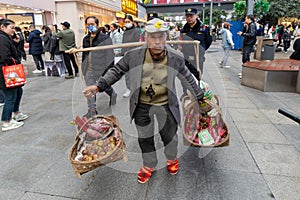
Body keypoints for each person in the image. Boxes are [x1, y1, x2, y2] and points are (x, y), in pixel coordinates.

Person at [82, 18, 204, 184]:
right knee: (145, 138)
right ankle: (149, 164)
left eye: (161, 37)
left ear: (166, 38)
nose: (157, 41)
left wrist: (200, 95)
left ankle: (171, 159)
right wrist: (98, 87)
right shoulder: (134, 55)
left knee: (170, 136)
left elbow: (188, 77)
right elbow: (117, 70)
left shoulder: (176, 57)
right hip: (142, 105)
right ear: (146, 38)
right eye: (153, 37)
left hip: (166, 104)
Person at [81, 16, 117, 118]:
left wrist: (108, 71)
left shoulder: (105, 38)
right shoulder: (86, 39)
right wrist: (83, 69)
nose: (90, 26)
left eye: (92, 24)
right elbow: (84, 54)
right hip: (89, 69)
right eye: (88, 25)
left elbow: (110, 56)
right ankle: (92, 110)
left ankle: (112, 94)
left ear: (97, 25)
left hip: (101, 69)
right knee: (90, 90)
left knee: (104, 86)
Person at [0, 19, 29, 131]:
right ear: (2, 27)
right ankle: (6, 121)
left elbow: (13, 52)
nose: (13, 30)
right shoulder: (2, 38)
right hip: (6, 71)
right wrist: (16, 63)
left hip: (9, 70)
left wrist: (16, 43)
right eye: (11, 28)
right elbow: (6, 56)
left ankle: (16, 113)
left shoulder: (6, 38)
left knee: (18, 91)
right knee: (10, 96)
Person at [180, 8, 212, 77]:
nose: (189, 18)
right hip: (186, 59)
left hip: (197, 59)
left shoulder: (204, 29)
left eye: (191, 16)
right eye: (187, 16)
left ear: (196, 16)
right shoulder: (183, 30)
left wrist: (201, 50)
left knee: (197, 79)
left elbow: (208, 41)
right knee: (185, 81)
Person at [121, 15, 141, 98]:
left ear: (132, 22)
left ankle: (137, 89)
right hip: (126, 55)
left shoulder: (136, 31)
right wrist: (123, 53)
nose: (127, 23)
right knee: (127, 74)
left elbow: (137, 43)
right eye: (125, 22)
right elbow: (124, 43)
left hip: (135, 54)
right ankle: (129, 88)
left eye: (128, 21)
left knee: (135, 72)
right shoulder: (125, 32)